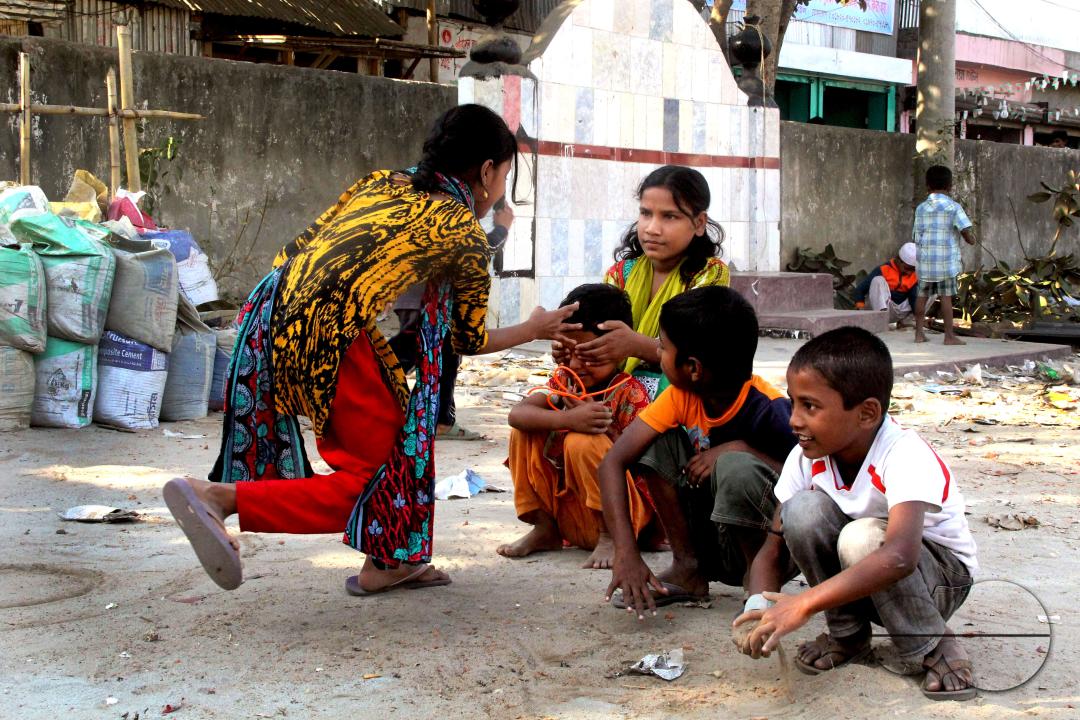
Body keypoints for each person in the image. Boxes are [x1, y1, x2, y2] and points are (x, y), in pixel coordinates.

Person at [162, 104, 581, 596]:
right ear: (486, 171)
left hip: (272, 311)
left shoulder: (382, 183)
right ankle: (220, 498)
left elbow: (315, 250)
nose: (498, 192)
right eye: (503, 177)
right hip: (329, 328)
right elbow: (466, 340)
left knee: (389, 450)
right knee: (381, 486)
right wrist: (534, 328)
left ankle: (390, 563)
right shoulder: (462, 231)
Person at [732, 327, 978, 702]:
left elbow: (899, 556)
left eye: (809, 406)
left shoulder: (904, 454)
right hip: (866, 574)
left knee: (862, 537)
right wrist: (758, 609)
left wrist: (803, 603)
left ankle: (933, 642)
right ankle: (847, 635)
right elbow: (774, 547)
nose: (794, 420)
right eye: (793, 403)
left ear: (866, 414)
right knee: (803, 511)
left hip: (939, 580)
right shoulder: (805, 457)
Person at [599, 287, 798, 618]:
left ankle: (759, 584)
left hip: (768, 544)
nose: (657, 353)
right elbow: (613, 462)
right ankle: (688, 568)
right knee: (654, 442)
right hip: (709, 533)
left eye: (663, 347)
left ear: (693, 367)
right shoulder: (680, 396)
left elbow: (814, 477)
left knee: (736, 466)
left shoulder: (770, 409)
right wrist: (626, 552)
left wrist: (739, 449)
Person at [497, 284, 655, 569]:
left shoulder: (628, 392)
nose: (577, 363)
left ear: (618, 352)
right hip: (573, 515)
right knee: (524, 432)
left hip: (624, 517)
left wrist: (601, 431)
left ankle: (611, 537)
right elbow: (517, 414)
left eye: (590, 354)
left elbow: (646, 464)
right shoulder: (563, 383)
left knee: (582, 442)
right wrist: (566, 420)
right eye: (569, 352)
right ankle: (544, 529)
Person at [565, 165, 729, 400]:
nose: (652, 228)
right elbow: (601, 344)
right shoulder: (621, 273)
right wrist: (574, 349)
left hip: (676, 400)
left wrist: (635, 345)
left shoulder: (709, 274)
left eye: (669, 216)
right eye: (646, 213)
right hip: (614, 395)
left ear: (699, 223)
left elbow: (698, 357)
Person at [390, 201, 516, 441]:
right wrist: (502, 228)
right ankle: (356, 395)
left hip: (416, 299)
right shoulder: (454, 209)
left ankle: (441, 420)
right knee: (415, 354)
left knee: (440, 356)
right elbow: (476, 252)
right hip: (428, 303)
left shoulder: (432, 205)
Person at [912, 165, 975, 345]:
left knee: (921, 297)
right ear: (950, 186)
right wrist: (971, 240)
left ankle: (918, 334)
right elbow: (964, 229)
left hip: (925, 261)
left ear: (927, 185)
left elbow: (917, 234)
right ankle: (949, 336)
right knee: (945, 297)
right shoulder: (953, 207)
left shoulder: (921, 208)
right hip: (945, 262)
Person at [853, 242, 918, 326]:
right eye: (907, 268)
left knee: (928, 289)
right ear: (899, 260)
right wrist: (860, 309)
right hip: (884, 309)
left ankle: (907, 321)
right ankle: (880, 321)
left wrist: (918, 317)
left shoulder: (914, 275)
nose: (909, 272)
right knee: (877, 280)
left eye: (912, 269)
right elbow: (860, 290)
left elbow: (914, 299)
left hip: (901, 311)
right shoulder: (883, 269)